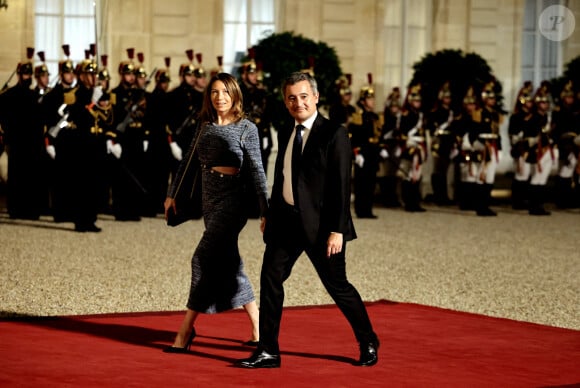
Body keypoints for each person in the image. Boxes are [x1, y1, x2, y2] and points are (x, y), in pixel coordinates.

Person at [237, 72, 379, 369]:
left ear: (315, 97)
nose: (297, 103)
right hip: (285, 222)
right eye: (291, 98)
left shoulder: (334, 133)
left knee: (337, 286)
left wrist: (338, 231)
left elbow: (342, 186)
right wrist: (270, 214)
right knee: (270, 279)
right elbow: (283, 176)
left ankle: (367, 340)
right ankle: (268, 351)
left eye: (303, 96)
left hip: (322, 228)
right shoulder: (286, 130)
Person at [163, 72, 268, 353]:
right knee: (231, 264)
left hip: (234, 202)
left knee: (202, 259)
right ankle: (260, 327)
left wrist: (265, 210)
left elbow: (258, 171)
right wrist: (172, 194)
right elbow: (187, 162)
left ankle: (185, 331)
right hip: (208, 199)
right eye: (214, 92)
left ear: (234, 95)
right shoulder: (205, 126)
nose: (219, 97)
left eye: (224, 92)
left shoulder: (247, 128)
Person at [348, 74, 382, 218]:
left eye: (373, 98)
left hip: (373, 152)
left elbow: (378, 134)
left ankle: (368, 209)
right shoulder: (358, 116)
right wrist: (356, 153)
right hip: (362, 152)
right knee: (361, 182)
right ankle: (360, 210)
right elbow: (352, 136)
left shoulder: (375, 117)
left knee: (371, 182)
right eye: (369, 99)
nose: (372, 101)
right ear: (362, 101)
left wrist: (381, 147)